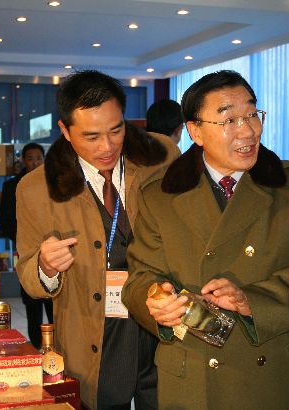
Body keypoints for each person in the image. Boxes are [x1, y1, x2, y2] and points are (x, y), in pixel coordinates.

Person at [122, 70, 289, 409]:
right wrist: (156, 301)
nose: (248, 130)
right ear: (195, 131)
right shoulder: (160, 195)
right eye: (229, 120)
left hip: (275, 373)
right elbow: (140, 277)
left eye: (252, 114)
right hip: (194, 373)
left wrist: (251, 301)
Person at [15, 70, 180, 410]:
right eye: (91, 136)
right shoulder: (35, 189)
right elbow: (29, 276)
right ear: (65, 130)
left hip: (163, 325)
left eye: (116, 130)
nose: (107, 147)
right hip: (95, 335)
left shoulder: (160, 157)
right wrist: (46, 266)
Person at [0, 142, 52, 349]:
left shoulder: (54, 182)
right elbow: (4, 221)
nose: (35, 163)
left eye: (38, 158)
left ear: (44, 160)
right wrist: (23, 239)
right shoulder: (11, 186)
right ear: (23, 161)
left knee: (55, 301)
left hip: (53, 248)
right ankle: (36, 347)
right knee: (32, 302)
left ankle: (57, 347)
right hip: (27, 251)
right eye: (30, 159)